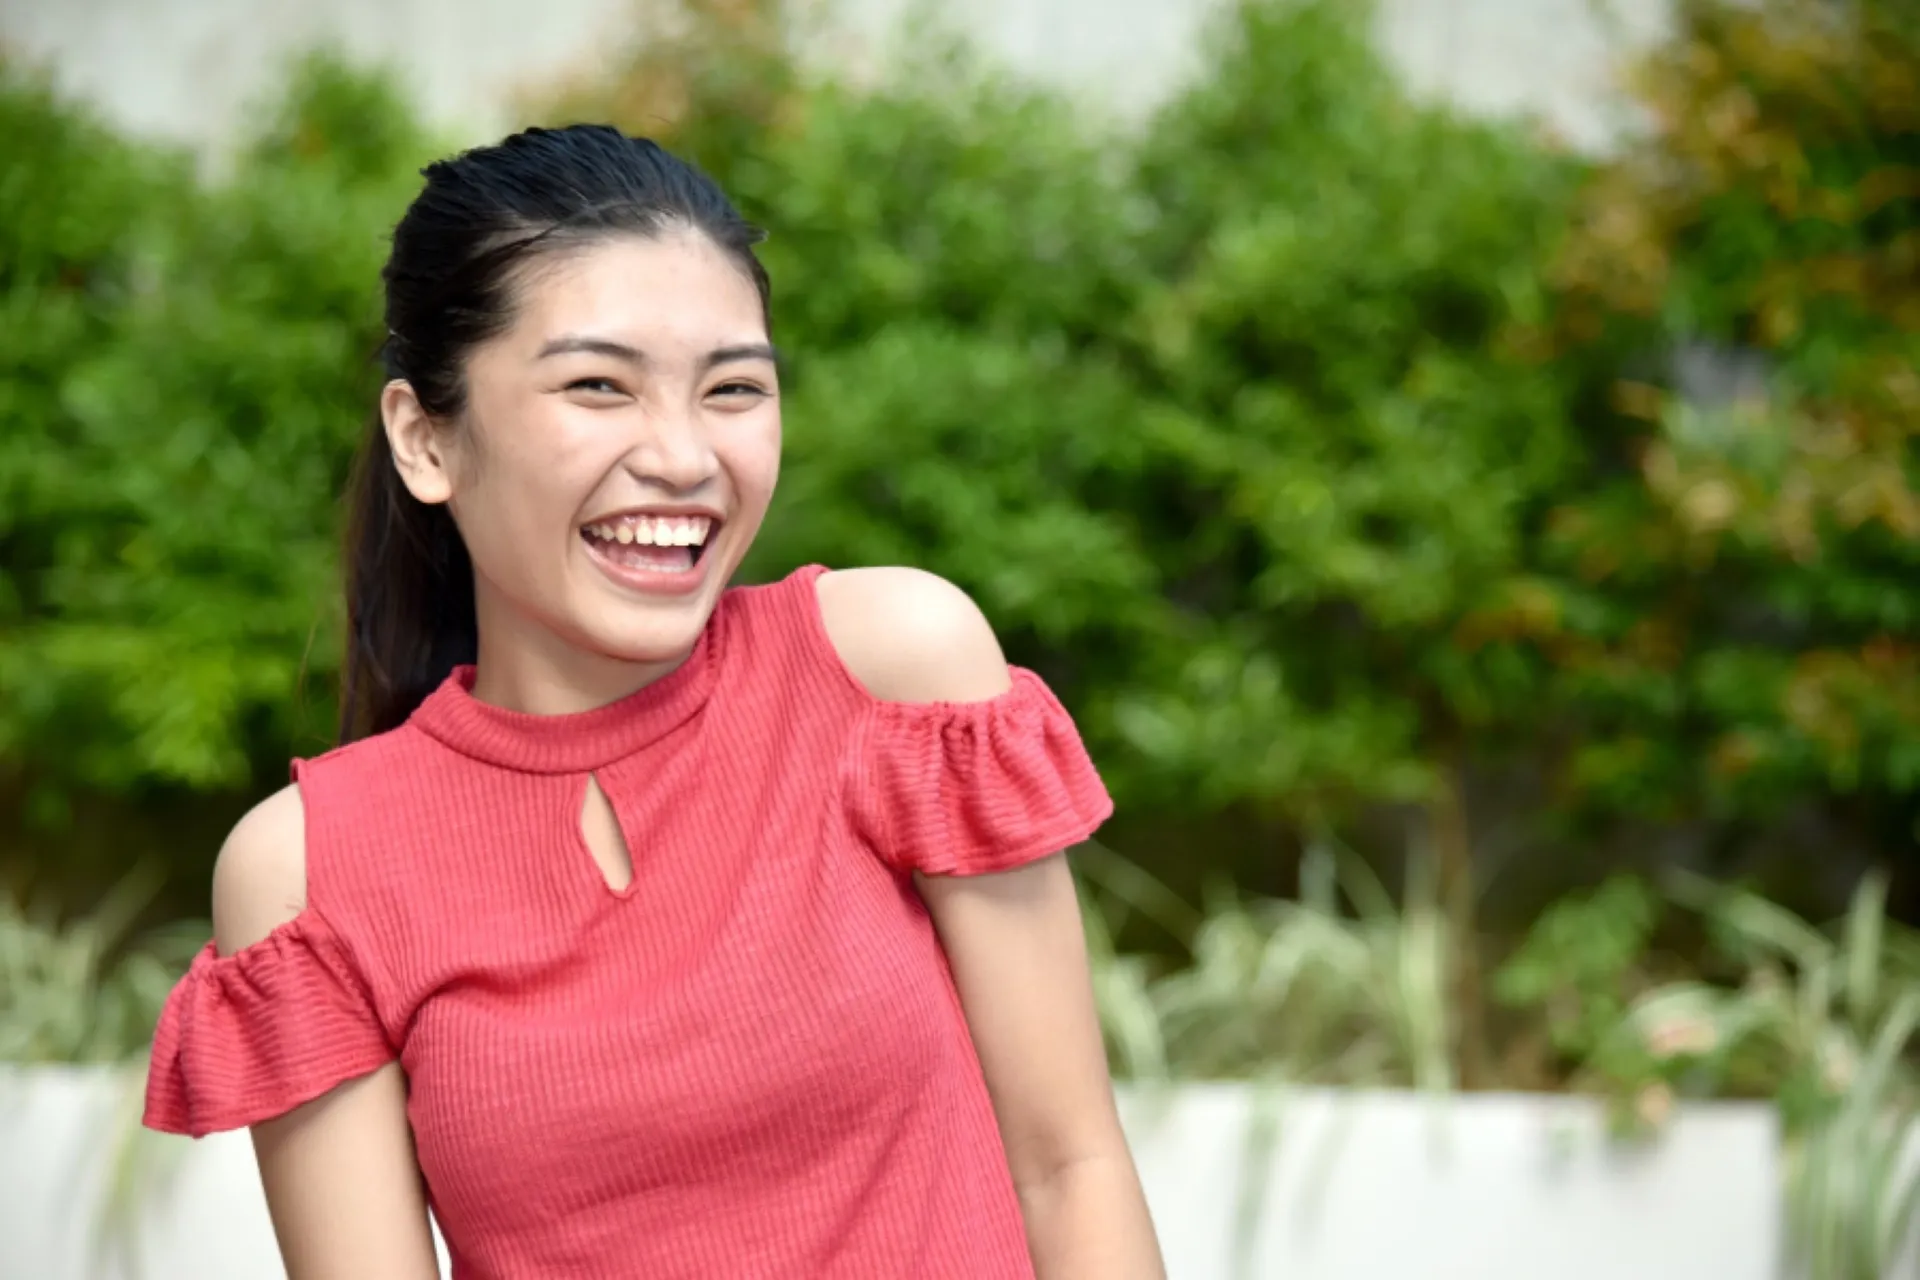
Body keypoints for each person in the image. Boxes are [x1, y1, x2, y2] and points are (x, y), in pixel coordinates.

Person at [142, 123, 1164, 1279]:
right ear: (425, 439)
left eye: (734, 389)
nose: (683, 456)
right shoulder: (304, 872)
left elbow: (1070, 1165)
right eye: (598, 385)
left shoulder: (895, 671)